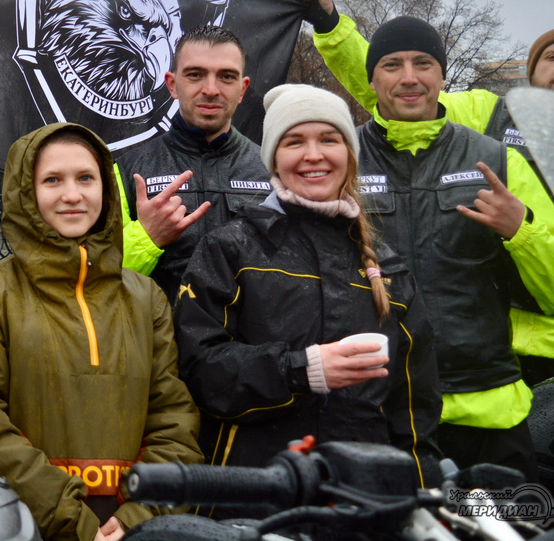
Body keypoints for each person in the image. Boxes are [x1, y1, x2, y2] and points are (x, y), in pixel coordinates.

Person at [302, 8, 554, 478]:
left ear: (442, 75)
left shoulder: (497, 160)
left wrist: (521, 230)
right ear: (371, 80)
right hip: (376, 414)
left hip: (488, 415)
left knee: (503, 529)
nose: (409, 78)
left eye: (423, 63)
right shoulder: (340, 162)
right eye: (392, 65)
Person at [0, 123, 203, 541]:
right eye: (52, 180)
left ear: (106, 191)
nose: (72, 195)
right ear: (25, 192)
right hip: (31, 526)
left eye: (86, 178)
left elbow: (174, 419)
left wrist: (141, 516)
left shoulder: (145, 298)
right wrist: (68, 518)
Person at [177, 84, 441, 491]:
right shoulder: (229, 249)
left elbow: (414, 413)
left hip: (361, 506)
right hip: (253, 498)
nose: (313, 155)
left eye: (329, 139)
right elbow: (201, 372)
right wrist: (303, 369)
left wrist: (420, 499)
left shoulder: (388, 267)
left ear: (349, 155)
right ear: (274, 159)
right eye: (294, 141)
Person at [115, 25, 271, 303]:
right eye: (195, 75)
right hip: (161, 343)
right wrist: (146, 239)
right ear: (172, 84)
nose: (211, 90)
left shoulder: (272, 170)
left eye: (226, 76)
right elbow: (96, 280)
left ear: (242, 89)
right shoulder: (126, 170)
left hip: (253, 345)